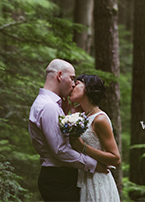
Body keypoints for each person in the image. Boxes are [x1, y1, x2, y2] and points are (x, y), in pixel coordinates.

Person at [29, 59, 109, 201]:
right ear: (59, 76)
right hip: (58, 178)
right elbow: (60, 150)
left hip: (60, 176)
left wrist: (67, 114)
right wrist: (93, 165)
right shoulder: (50, 107)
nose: (73, 84)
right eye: (72, 78)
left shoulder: (50, 105)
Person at [69, 74, 120, 202]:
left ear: (88, 88)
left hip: (98, 181)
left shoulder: (100, 119)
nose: (73, 86)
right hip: (84, 179)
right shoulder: (82, 116)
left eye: (77, 84)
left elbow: (115, 159)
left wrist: (83, 147)